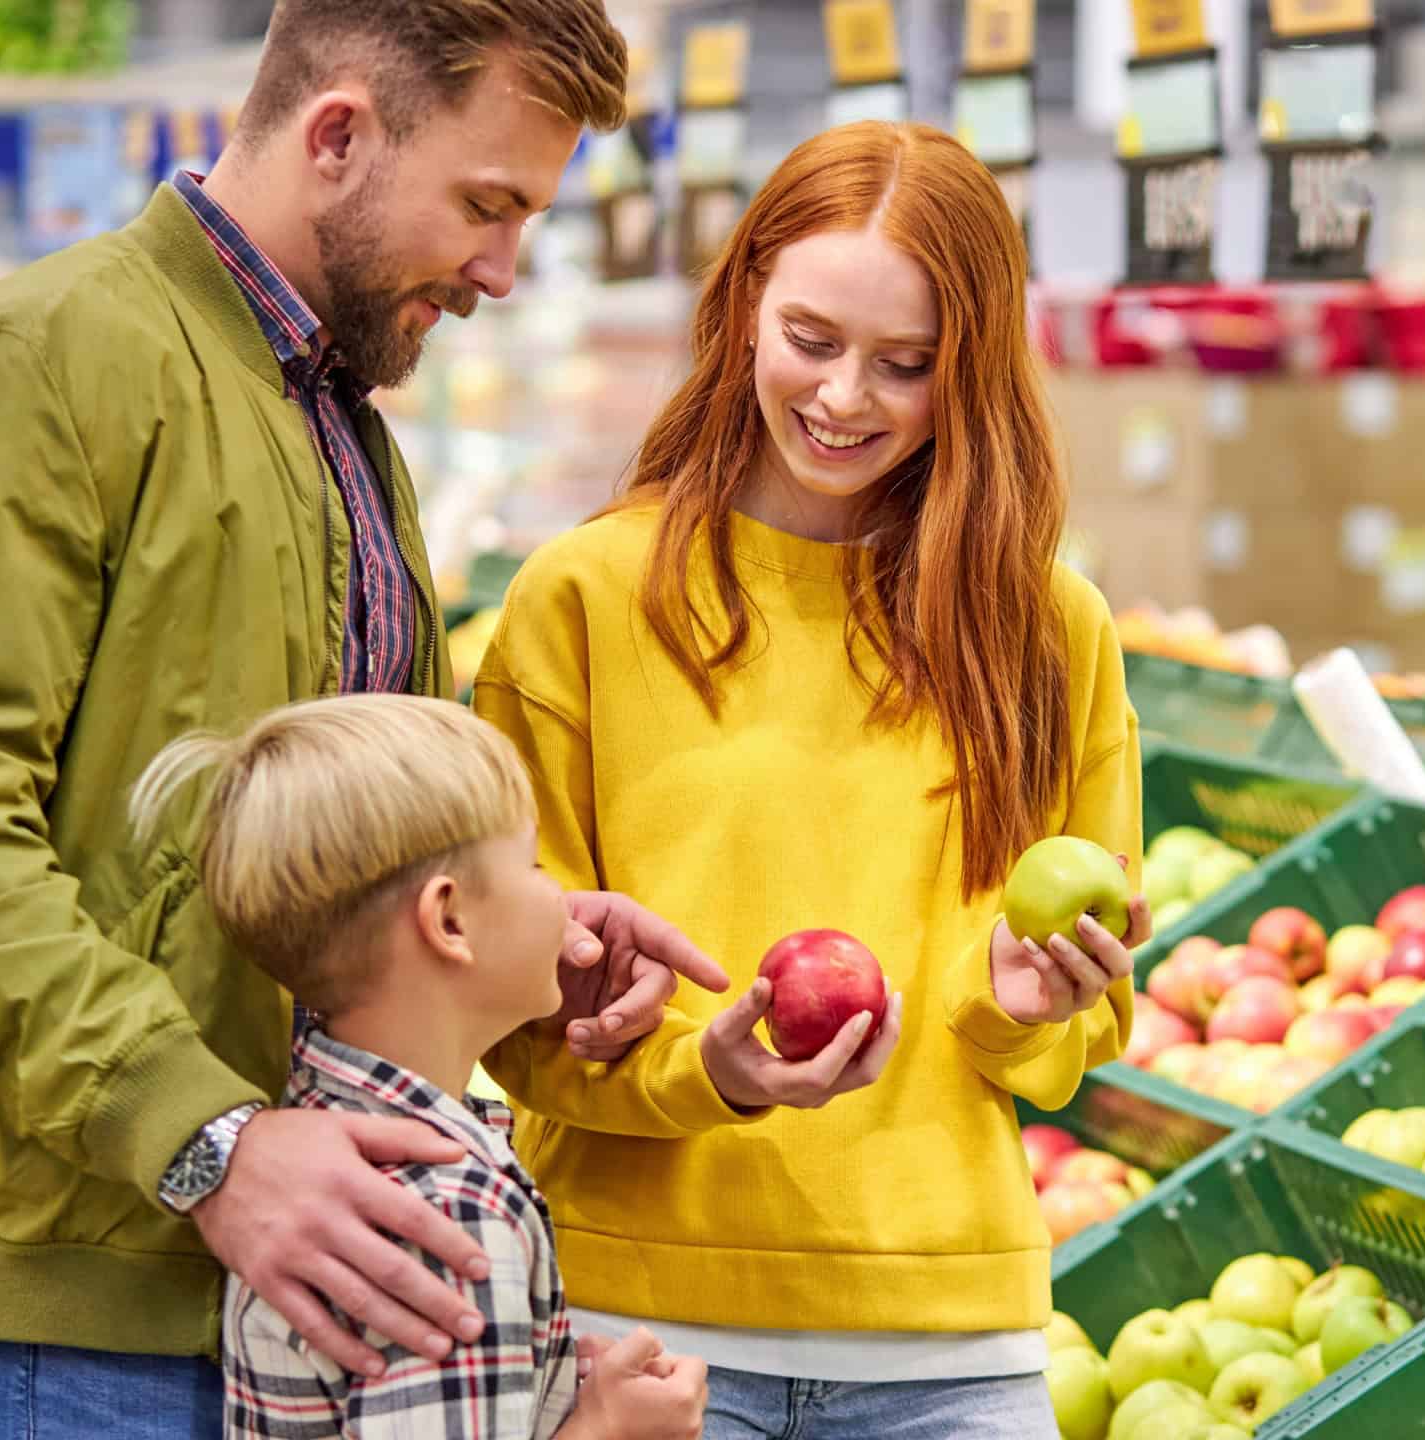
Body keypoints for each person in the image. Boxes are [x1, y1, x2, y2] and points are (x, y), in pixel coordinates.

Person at [0, 3, 723, 1435]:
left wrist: (513, 939)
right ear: (340, 134)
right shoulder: (36, 368)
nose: (501, 269)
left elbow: (353, 854)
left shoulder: (339, 425)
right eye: (485, 206)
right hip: (87, 1315)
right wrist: (207, 1139)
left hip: (305, 1289)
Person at [470, 120, 1152, 1438]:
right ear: (741, 307)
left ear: (976, 375)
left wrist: (1018, 1006)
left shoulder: (1048, 631)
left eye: (909, 365)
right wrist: (702, 1072)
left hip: (950, 1351)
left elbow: (1084, 1041)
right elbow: (508, 1011)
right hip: (634, 1334)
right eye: (811, 340)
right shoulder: (584, 601)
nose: (846, 399)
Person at [132, 694, 706, 1439]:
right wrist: (610, 1430)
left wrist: (547, 1381)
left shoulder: (312, 1140)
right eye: (532, 864)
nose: (563, 901)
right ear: (450, 921)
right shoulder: (449, 1213)